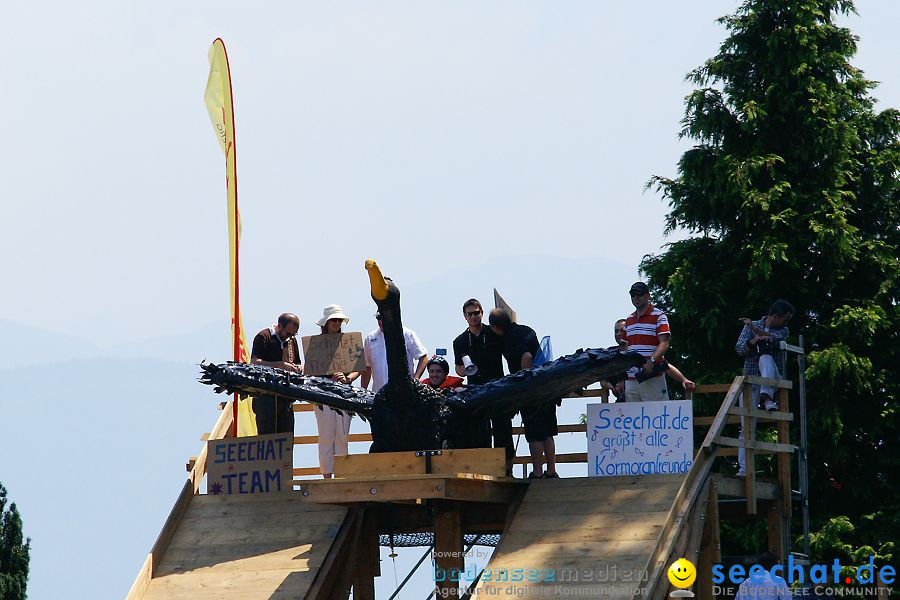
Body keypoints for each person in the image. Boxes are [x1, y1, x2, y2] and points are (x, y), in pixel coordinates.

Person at [489, 308, 559, 480]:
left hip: (532, 390)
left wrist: (525, 384)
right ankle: (551, 471)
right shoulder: (527, 330)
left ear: (495, 327)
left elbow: (526, 357)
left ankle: (537, 472)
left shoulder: (509, 339)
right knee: (548, 432)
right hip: (546, 384)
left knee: (534, 433)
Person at [734, 300, 794, 476]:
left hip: (773, 379)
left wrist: (753, 328)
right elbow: (739, 349)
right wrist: (754, 340)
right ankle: (744, 469)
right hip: (751, 382)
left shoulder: (782, 330)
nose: (786, 323)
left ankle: (767, 396)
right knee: (746, 428)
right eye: (785, 319)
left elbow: (774, 341)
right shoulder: (757, 325)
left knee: (766, 358)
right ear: (776, 316)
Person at [452, 299, 512, 473]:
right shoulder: (460, 341)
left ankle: (507, 470)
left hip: (498, 386)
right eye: (469, 314)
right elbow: (458, 367)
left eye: (476, 313)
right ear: (464, 317)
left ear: (482, 313)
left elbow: (509, 351)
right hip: (475, 389)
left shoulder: (493, 333)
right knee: (480, 430)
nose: (473, 317)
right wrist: (463, 370)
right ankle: (485, 470)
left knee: (503, 429)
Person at [313, 304, 360, 479]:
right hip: (322, 394)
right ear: (326, 322)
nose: (337, 323)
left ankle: (342, 474)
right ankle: (326, 475)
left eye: (339, 320)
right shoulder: (315, 345)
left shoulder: (349, 342)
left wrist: (348, 379)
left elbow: (358, 368)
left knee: (342, 435)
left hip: (344, 394)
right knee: (326, 435)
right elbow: (310, 371)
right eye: (333, 320)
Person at [250, 312, 302, 434]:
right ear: (279, 326)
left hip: (286, 396)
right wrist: (279, 365)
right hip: (265, 397)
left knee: (286, 439)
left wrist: (297, 368)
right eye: (288, 333)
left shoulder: (292, 340)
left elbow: (298, 362)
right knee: (267, 438)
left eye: (293, 334)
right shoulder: (264, 336)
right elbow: (254, 362)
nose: (289, 337)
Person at [623, 282, 671, 402]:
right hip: (631, 378)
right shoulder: (629, 319)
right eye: (633, 295)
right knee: (633, 418)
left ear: (648, 295)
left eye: (639, 294)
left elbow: (664, 343)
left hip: (652, 377)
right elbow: (624, 348)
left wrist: (651, 361)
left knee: (658, 415)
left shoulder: (659, 315)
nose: (636, 298)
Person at [360, 312, 428, 393]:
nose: (381, 321)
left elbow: (423, 357)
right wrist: (363, 390)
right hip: (379, 394)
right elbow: (367, 367)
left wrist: (415, 380)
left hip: (404, 393)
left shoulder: (407, 334)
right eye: (378, 318)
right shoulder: (370, 338)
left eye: (384, 317)